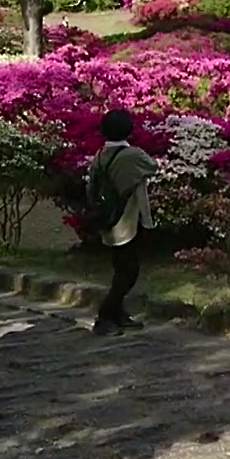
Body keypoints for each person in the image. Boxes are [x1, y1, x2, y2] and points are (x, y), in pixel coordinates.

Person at [86, 108, 161, 337]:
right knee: (128, 272)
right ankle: (105, 316)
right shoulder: (133, 156)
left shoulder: (100, 156)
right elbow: (153, 166)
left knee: (121, 268)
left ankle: (118, 315)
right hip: (126, 221)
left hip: (107, 219)